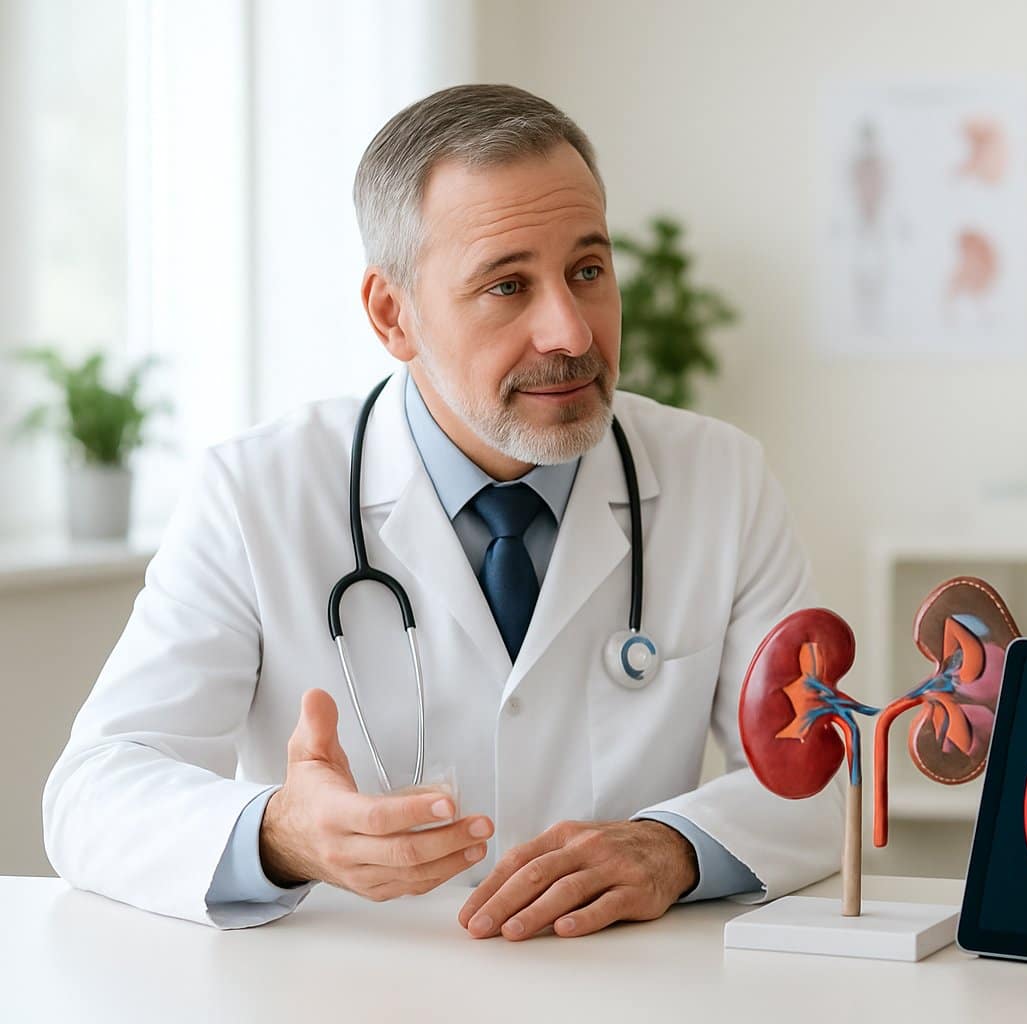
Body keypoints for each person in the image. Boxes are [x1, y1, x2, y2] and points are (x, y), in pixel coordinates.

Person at [43, 84, 840, 937]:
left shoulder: (721, 477)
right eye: (507, 286)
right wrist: (281, 835)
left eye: (588, 271)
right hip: (357, 985)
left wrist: (671, 848)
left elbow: (826, 775)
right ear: (393, 315)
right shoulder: (257, 494)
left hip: (623, 978)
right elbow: (93, 792)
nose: (571, 333)